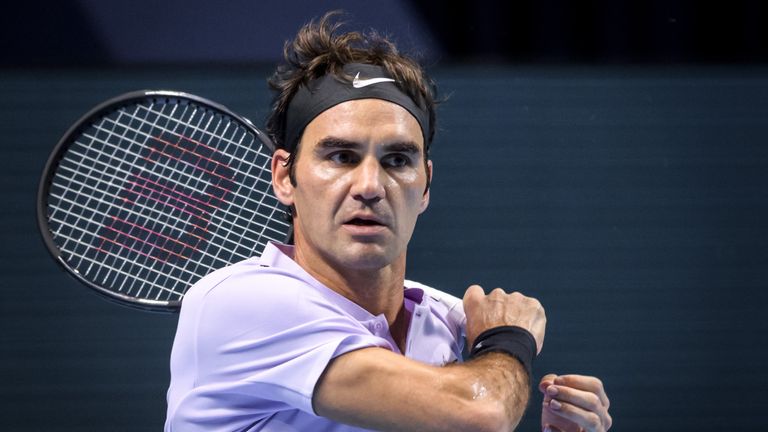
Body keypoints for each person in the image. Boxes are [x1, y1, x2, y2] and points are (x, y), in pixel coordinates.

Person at [165, 11, 612, 432]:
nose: (370, 186)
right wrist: (509, 341)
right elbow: (482, 411)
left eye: (397, 160)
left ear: (426, 185)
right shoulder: (240, 304)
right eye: (341, 156)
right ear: (285, 176)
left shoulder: (450, 324)